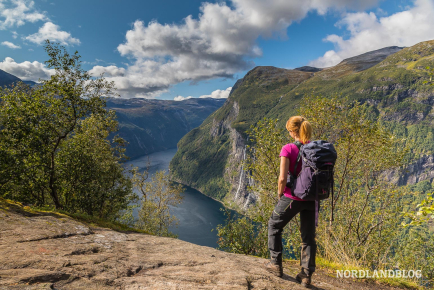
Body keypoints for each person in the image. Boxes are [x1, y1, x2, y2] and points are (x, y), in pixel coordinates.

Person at [263, 116, 316, 288]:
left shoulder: (288, 148)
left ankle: (275, 264)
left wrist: (280, 194)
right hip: (312, 198)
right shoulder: (315, 148)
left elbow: (282, 178)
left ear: (293, 131)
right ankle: (306, 275)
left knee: (274, 225)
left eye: (289, 131)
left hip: (292, 197)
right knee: (308, 237)